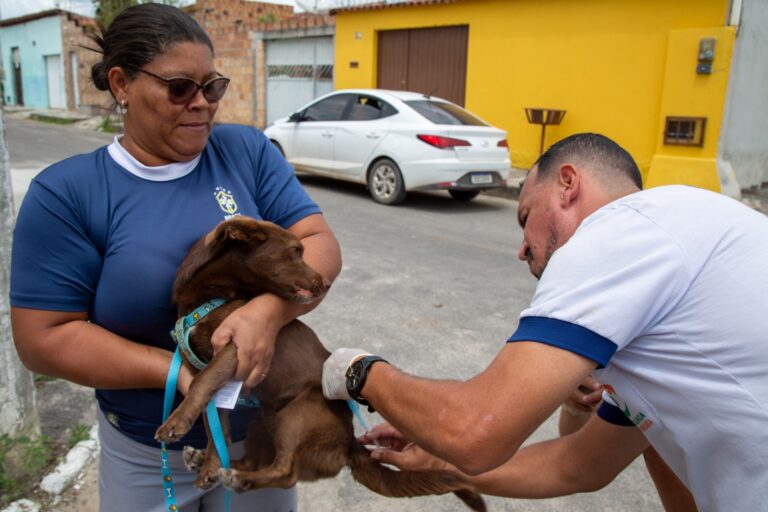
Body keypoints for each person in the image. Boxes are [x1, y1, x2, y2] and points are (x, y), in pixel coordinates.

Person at [322, 133, 768, 511]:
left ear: (568, 185)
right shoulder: (667, 270)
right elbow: (578, 464)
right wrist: (440, 462)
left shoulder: (622, 230)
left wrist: (359, 371)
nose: (521, 248)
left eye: (525, 218)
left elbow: (476, 429)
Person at [10, 4, 341, 512]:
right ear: (122, 84)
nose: (203, 104)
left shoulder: (244, 151)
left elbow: (317, 241)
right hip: (149, 454)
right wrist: (182, 375)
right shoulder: (70, 193)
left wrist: (266, 313)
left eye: (213, 87)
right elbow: (43, 338)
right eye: (180, 87)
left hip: (256, 444)